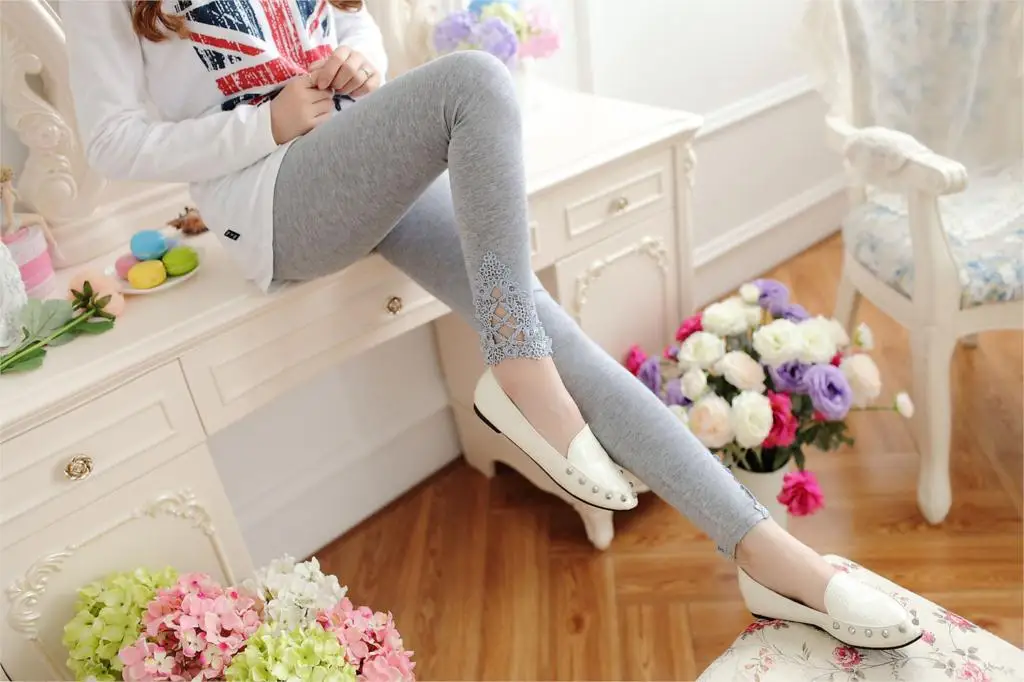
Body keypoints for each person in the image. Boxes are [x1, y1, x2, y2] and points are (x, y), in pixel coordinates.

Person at [64, 0, 921, 649]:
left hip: (360, 154)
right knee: (474, 85)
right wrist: (266, 123)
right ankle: (519, 379)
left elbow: (349, 22)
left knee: (550, 335)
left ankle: (771, 558)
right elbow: (110, 141)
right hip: (273, 198)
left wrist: (357, 65)